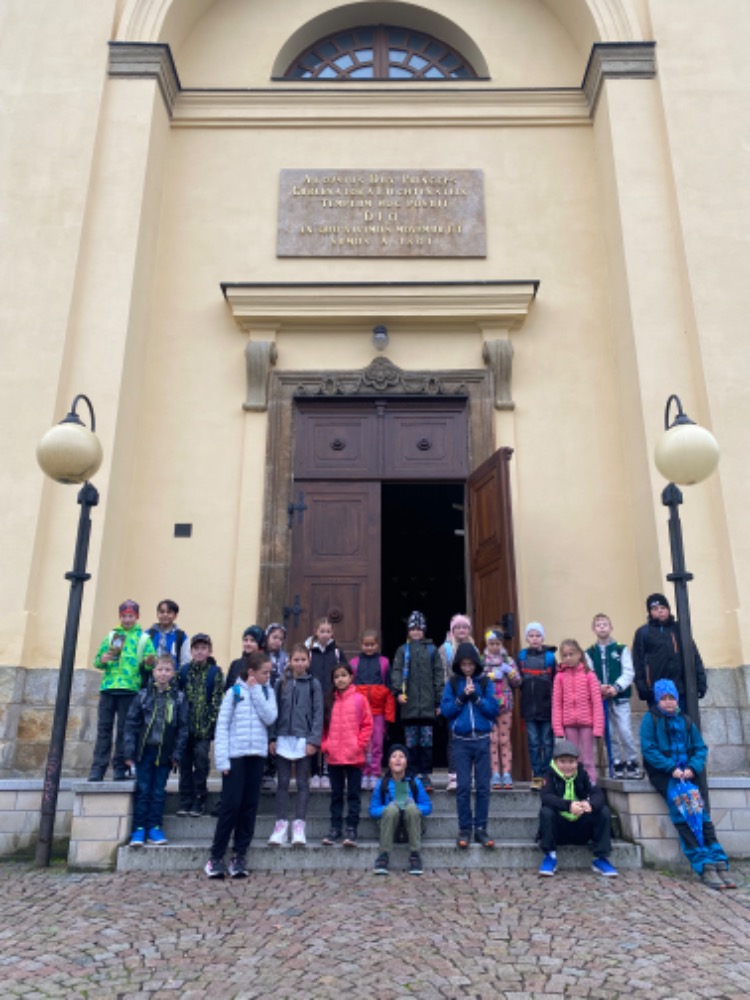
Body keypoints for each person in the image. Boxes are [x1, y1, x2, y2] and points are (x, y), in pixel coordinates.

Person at [640, 678, 735, 889]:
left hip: (688, 773)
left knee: (701, 814)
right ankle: (704, 865)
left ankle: (719, 859)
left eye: (671, 698)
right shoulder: (651, 719)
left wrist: (693, 767)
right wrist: (670, 768)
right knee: (683, 812)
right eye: (664, 698)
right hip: (667, 774)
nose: (668, 702)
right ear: (658, 700)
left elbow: (700, 748)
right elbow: (649, 749)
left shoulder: (685, 720)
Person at [204, 651, 277, 879]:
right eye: (264, 673)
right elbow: (222, 726)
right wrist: (222, 760)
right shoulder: (233, 692)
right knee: (230, 806)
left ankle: (239, 855)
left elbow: (270, 717)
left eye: (270, 672)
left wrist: (256, 691)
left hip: (257, 756)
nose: (268, 676)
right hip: (235, 757)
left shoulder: (267, 691)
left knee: (249, 807)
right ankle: (216, 857)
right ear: (252, 672)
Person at [440, 641, 500, 848]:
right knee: (463, 787)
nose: (467, 668)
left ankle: (481, 828)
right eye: (464, 665)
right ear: (458, 665)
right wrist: (461, 697)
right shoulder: (452, 683)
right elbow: (446, 710)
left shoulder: (485, 682)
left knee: (483, 787)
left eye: (470, 664)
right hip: (461, 742)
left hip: (482, 740)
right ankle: (464, 829)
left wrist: (476, 697)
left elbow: (493, 709)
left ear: (476, 664)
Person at [124, 653, 188, 846]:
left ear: (173, 673)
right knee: (143, 790)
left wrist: (177, 753)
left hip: (165, 754)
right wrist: (129, 752)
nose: (163, 673)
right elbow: (131, 724)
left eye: (167, 670)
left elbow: (183, 728)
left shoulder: (178, 698)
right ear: (153, 672)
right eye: (160, 669)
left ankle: (155, 827)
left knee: (158, 791)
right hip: (144, 752)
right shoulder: (143, 696)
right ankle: (139, 828)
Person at [88, 599, 156, 781]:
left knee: (124, 731)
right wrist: (102, 660)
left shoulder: (143, 638)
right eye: (124, 616)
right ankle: (98, 769)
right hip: (109, 688)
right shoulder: (112, 636)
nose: (127, 620)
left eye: (131, 616)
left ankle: (120, 768)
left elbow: (151, 664)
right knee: (104, 730)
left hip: (130, 689)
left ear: (137, 617)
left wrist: (150, 662)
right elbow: (97, 661)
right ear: (120, 617)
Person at [267, 644, 323, 847]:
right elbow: (273, 712)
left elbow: (318, 713)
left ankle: (299, 825)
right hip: (283, 737)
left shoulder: (313, 684)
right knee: (282, 782)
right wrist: (272, 738)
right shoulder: (280, 683)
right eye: (296, 660)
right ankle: (281, 825)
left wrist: (313, 740)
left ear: (308, 661)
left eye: (303, 660)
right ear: (289, 661)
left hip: (303, 739)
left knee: (302, 783)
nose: (299, 663)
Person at [538, 739, 618, 878]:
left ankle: (600, 858)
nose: (567, 766)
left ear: (577, 762)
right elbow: (546, 797)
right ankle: (550, 856)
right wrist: (568, 805)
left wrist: (590, 805)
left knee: (603, 811)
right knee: (546, 812)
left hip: (581, 827)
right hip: (559, 829)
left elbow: (597, 793)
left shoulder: (582, 774)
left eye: (571, 762)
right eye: (563, 761)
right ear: (555, 762)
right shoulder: (549, 776)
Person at [321, 663, 373, 848]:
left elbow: (367, 724)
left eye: (343, 675)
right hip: (334, 756)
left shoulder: (360, 699)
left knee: (353, 794)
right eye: (336, 677)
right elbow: (323, 727)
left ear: (351, 677)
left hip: (354, 756)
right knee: (336, 794)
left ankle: (352, 828)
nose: (340, 679)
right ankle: (335, 828)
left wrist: (360, 745)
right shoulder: (329, 701)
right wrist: (325, 745)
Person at [391, 611, 443, 791]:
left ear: (424, 631)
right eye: (412, 629)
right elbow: (396, 671)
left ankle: (425, 775)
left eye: (419, 629)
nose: (415, 632)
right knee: (411, 743)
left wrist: (438, 701)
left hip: (427, 707)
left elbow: (438, 675)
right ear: (408, 631)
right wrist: (398, 692)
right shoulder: (402, 650)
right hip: (409, 706)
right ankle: (410, 774)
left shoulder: (432, 650)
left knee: (426, 743)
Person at [586, 613, 642, 779]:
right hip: (601, 699)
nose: (602, 627)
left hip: (620, 698)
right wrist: (599, 688)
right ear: (594, 629)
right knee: (609, 732)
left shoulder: (621, 649)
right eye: (598, 625)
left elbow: (628, 672)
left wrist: (616, 687)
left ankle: (632, 761)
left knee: (624, 730)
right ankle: (616, 762)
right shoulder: (590, 652)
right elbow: (589, 673)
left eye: (605, 624)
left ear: (611, 628)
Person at [176, 632, 223, 818]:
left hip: (204, 729)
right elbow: (177, 697)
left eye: (203, 648)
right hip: (184, 729)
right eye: (196, 648)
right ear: (191, 651)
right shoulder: (183, 671)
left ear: (209, 651)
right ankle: (185, 800)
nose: (200, 652)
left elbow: (217, 700)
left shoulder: (214, 672)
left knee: (201, 763)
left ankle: (199, 798)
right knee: (185, 764)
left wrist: (209, 723)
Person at [632, 593, 707, 709]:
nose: (660, 611)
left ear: (668, 609)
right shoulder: (643, 633)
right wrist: (642, 687)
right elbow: (638, 661)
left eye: (663, 607)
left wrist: (701, 682)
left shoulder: (679, 629)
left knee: (682, 718)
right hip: (656, 690)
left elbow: (693, 656)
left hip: (680, 688)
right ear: (650, 612)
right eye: (655, 609)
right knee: (659, 720)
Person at [369, 744, 432, 876]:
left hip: (411, 827)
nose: (398, 759)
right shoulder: (382, 783)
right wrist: (388, 807)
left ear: (406, 762)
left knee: (411, 808)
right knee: (392, 809)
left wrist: (415, 806)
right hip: (390, 828)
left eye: (402, 756)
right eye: (394, 756)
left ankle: (415, 854)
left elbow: (428, 806)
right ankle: (384, 854)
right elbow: (373, 810)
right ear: (389, 762)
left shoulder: (414, 782)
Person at [552, 638, 604, 784]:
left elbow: (597, 703)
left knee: (587, 759)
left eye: (571, 654)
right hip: (569, 724)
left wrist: (598, 728)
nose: (568, 658)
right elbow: (556, 704)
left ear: (579, 654)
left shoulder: (589, 675)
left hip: (587, 724)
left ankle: (591, 786)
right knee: (573, 759)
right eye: (565, 655)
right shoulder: (559, 677)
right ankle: (575, 787)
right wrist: (558, 728)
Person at [350, 628, 395, 789]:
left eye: (372, 645)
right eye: (366, 645)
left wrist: (389, 713)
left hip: (378, 711)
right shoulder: (354, 663)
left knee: (377, 742)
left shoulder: (384, 662)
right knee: (363, 741)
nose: (369, 648)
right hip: (360, 710)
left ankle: (375, 772)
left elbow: (389, 689)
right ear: (361, 645)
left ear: (377, 645)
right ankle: (363, 772)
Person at [307, 616, 349, 789]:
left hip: (332, 700)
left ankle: (326, 772)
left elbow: (345, 673)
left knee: (329, 735)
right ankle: (313, 772)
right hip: (312, 700)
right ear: (316, 632)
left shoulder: (337, 652)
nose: (325, 634)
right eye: (322, 631)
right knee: (313, 735)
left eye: (328, 631)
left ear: (332, 633)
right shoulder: (309, 653)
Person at [439, 614, 477, 792]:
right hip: (454, 698)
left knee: (471, 736)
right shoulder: (445, 649)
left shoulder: (474, 648)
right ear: (452, 630)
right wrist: (442, 700)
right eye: (458, 627)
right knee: (454, 737)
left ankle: (469, 775)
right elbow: (441, 675)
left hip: (472, 698)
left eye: (465, 627)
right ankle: (454, 776)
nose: (462, 630)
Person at [517, 622, 556, 789]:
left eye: (538, 635)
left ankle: (547, 774)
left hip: (547, 708)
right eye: (531, 635)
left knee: (547, 743)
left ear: (543, 638)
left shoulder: (550, 657)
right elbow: (517, 680)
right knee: (533, 743)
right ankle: (537, 775)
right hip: (528, 708)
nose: (534, 638)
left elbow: (556, 681)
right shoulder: (522, 656)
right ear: (527, 638)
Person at [483, 627, 521, 789]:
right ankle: (495, 774)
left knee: (504, 740)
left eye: (497, 643)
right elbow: (477, 680)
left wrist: (510, 672)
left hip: (505, 705)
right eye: (491, 643)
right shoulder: (482, 661)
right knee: (492, 740)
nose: (494, 646)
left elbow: (518, 681)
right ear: (487, 644)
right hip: (489, 706)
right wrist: (489, 675)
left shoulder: (508, 660)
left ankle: (506, 773)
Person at [262, 623, 288, 791]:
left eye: (280, 638)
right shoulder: (261, 656)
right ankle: (261, 771)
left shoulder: (285, 658)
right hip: (263, 698)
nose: (277, 641)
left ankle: (271, 772)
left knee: (274, 736)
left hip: (279, 700)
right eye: (274, 637)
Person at [146, 599, 190, 670]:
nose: (165, 615)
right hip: (150, 675)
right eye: (162, 612)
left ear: (175, 616)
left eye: (169, 612)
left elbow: (186, 661)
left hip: (174, 676)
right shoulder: (147, 634)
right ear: (157, 614)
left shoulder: (181, 636)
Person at [225, 625, 265, 691]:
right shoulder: (235, 664)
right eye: (245, 640)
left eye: (252, 640)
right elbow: (228, 689)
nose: (248, 644)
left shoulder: (264, 664)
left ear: (260, 644)